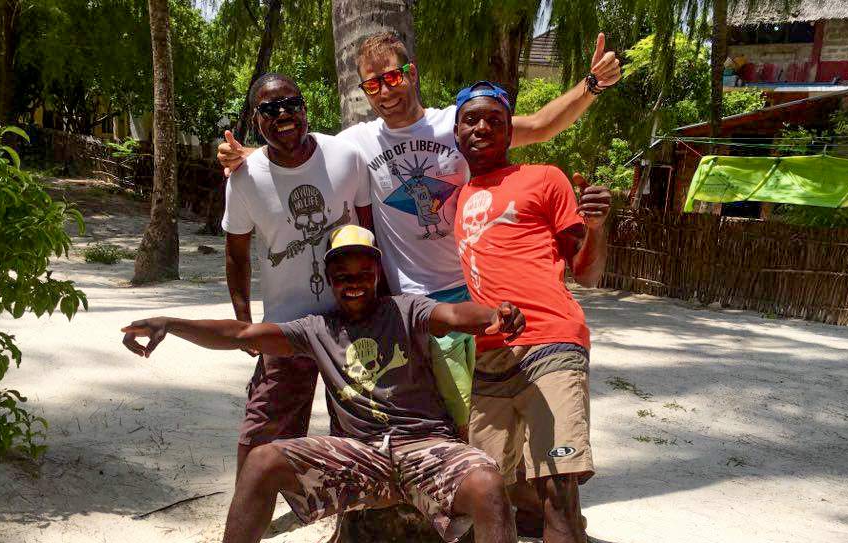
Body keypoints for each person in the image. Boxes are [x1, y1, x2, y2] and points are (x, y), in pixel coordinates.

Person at [121, 226, 552, 543]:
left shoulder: (406, 309)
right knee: (263, 460)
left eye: (363, 272)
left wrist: (494, 315)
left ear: (377, 273)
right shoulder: (316, 328)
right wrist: (171, 323)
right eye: (342, 274)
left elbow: (455, 315)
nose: (354, 282)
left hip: (425, 445)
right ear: (329, 278)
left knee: (487, 481)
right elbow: (242, 334)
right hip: (361, 454)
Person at [219, 31, 621, 432]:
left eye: (393, 78)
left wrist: (593, 84)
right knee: (427, 416)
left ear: (411, 73)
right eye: (373, 84)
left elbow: (540, 126)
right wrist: (246, 155)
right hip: (408, 304)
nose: (385, 92)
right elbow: (303, 149)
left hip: (472, 295)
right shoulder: (360, 141)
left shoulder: (457, 123)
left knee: (484, 415)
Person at [452, 81, 612, 543]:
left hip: (552, 340)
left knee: (558, 492)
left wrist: (598, 225)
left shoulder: (545, 177)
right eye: (470, 121)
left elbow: (590, 272)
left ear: (509, 125)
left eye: (493, 119)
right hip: (489, 356)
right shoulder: (455, 197)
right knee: (485, 491)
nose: (481, 129)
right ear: (457, 133)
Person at [220, 72, 374, 543]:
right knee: (262, 427)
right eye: (269, 109)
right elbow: (237, 252)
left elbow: (368, 232)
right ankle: (247, 516)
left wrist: (380, 307)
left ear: (306, 107)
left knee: (357, 428)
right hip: (286, 326)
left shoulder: (345, 157)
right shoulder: (244, 178)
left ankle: (351, 526)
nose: (283, 115)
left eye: (291, 103)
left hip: (348, 320)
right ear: (256, 119)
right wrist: (244, 321)